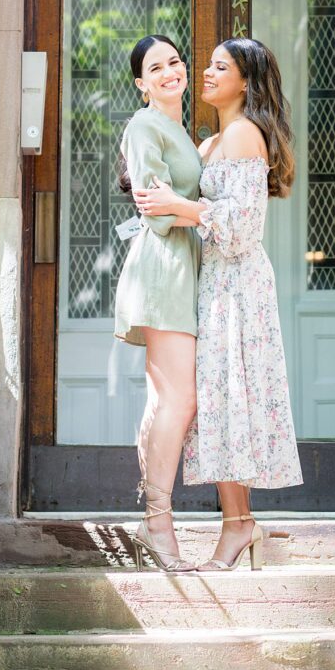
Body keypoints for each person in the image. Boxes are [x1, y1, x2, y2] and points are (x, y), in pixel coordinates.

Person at [134, 37, 303, 572]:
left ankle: (239, 526)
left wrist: (182, 206)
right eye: (204, 63)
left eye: (220, 67)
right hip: (213, 283)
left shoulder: (245, 135)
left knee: (230, 399)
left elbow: (243, 230)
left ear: (246, 82)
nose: (205, 73)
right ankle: (238, 525)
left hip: (238, 285)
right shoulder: (210, 142)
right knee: (219, 404)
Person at [114, 35, 202, 573]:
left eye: (174, 61)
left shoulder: (178, 130)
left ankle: (154, 519)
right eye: (156, 67)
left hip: (181, 267)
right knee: (180, 400)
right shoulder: (144, 125)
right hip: (164, 268)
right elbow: (157, 210)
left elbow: (175, 202)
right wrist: (209, 210)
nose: (170, 71)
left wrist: (189, 206)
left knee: (165, 399)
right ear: (141, 83)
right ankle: (157, 523)